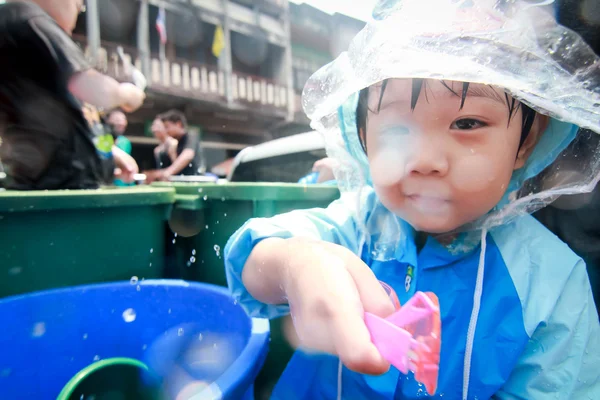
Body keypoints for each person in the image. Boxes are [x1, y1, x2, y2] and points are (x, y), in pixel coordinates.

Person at [224, 1, 600, 399]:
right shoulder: (356, 225)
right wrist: (293, 263)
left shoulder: (550, 283)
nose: (425, 161)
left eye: (467, 123)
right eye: (398, 129)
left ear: (527, 140)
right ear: (364, 138)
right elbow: (254, 259)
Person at [0, 0, 144, 190]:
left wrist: (114, 153)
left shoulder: (38, 44)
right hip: (52, 188)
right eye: (79, 5)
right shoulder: (25, 14)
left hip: (72, 185)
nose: (78, 13)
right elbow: (91, 87)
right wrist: (127, 94)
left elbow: (80, 119)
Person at [144, 110, 204, 182]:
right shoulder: (174, 142)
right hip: (180, 181)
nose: (166, 131)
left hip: (194, 182)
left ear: (178, 124)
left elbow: (188, 155)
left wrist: (168, 172)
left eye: (167, 127)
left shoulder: (190, 136)